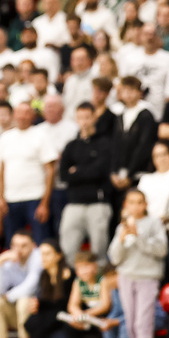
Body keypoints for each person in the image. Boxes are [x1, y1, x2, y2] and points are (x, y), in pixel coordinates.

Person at [108, 188, 168, 338]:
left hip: (147, 278)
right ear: (126, 205)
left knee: (144, 322)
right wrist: (122, 239)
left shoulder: (154, 223)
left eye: (139, 202)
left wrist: (139, 237)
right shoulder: (122, 226)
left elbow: (161, 249)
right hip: (126, 277)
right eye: (131, 202)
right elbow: (114, 257)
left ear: (145, 205)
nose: (135, 206)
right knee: (131, 323)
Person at [57, 103, 116, 265]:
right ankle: (72, 280)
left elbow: (100, 171)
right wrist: (85, 170)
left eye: (87, 117)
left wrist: (76, 171)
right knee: (68, 249)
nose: (84, 122)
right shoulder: (71, 146)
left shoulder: (105, 143)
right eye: (80, 118)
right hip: (74, 203)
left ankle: (99, 280)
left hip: (98, 203)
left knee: (99, 251)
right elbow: (63, 175)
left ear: (94, 118)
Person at [0, 103, 58, 243]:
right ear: (14, 115)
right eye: (19, 113)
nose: (22, 117)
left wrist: (45, 203)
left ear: (32, 116)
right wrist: (0, 198)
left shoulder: (41, 135)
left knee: (41, 242)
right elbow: (1, 172)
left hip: (35, 198)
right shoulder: (5, 137)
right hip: (11, 199)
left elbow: (50, 171)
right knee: (13, 243)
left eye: (26, 113)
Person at [63, 253, 128, 338]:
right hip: (89, 317)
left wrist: (85, 315)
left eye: (86, 266)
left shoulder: (103, 280)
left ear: (95, 266)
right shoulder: (78, 282)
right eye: (80, 268)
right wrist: (78, 315)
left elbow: (105, 305)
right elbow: (72, 305)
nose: (83, 271)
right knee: (69, 325)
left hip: (103, 315)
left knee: (105, 327)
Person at [22, 241, 81, 338]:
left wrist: (42, 304)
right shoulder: (44, 274)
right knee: (31, 322)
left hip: (65, 310)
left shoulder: (67, 273)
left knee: (50, 322)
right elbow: (46, 299)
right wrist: (36, 303)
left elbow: (63, 302)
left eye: (47, 254)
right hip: (52, 310)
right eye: (42, 254)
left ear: (58, 255)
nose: (43, 258)